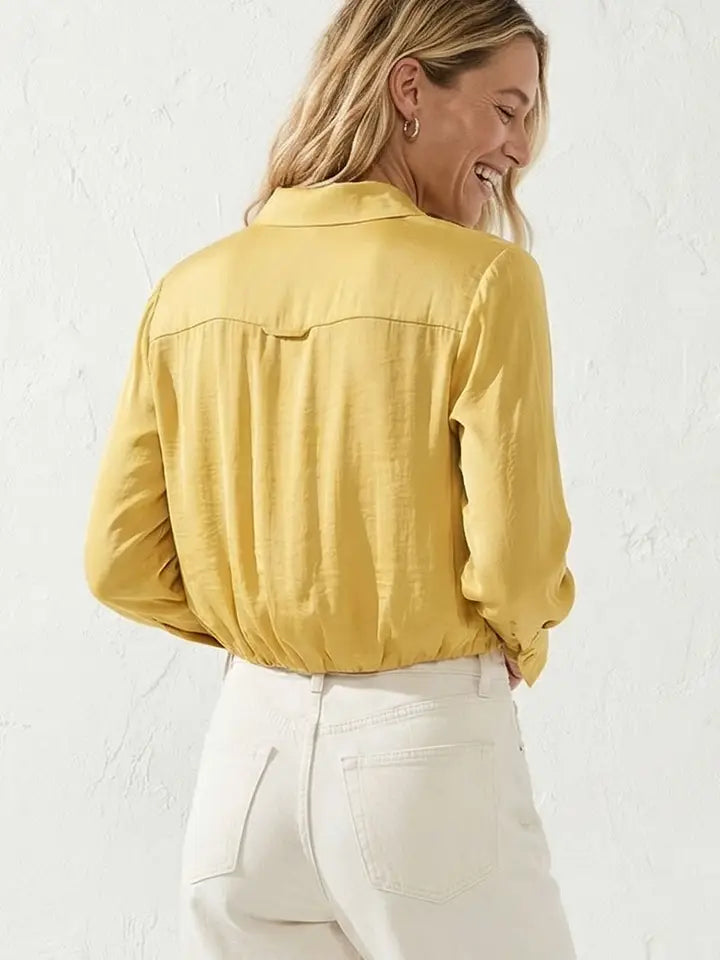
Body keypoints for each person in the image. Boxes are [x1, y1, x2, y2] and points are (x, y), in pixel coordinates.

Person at [83, 0, 577, 956]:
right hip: (423, 754)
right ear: (410, 89)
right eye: (506, 109)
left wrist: (274, 625)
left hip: (244, 773)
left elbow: (119, 562)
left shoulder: (189, 289)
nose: (519, 149)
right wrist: (524, 636)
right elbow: (516, 565)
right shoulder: (484, 280)